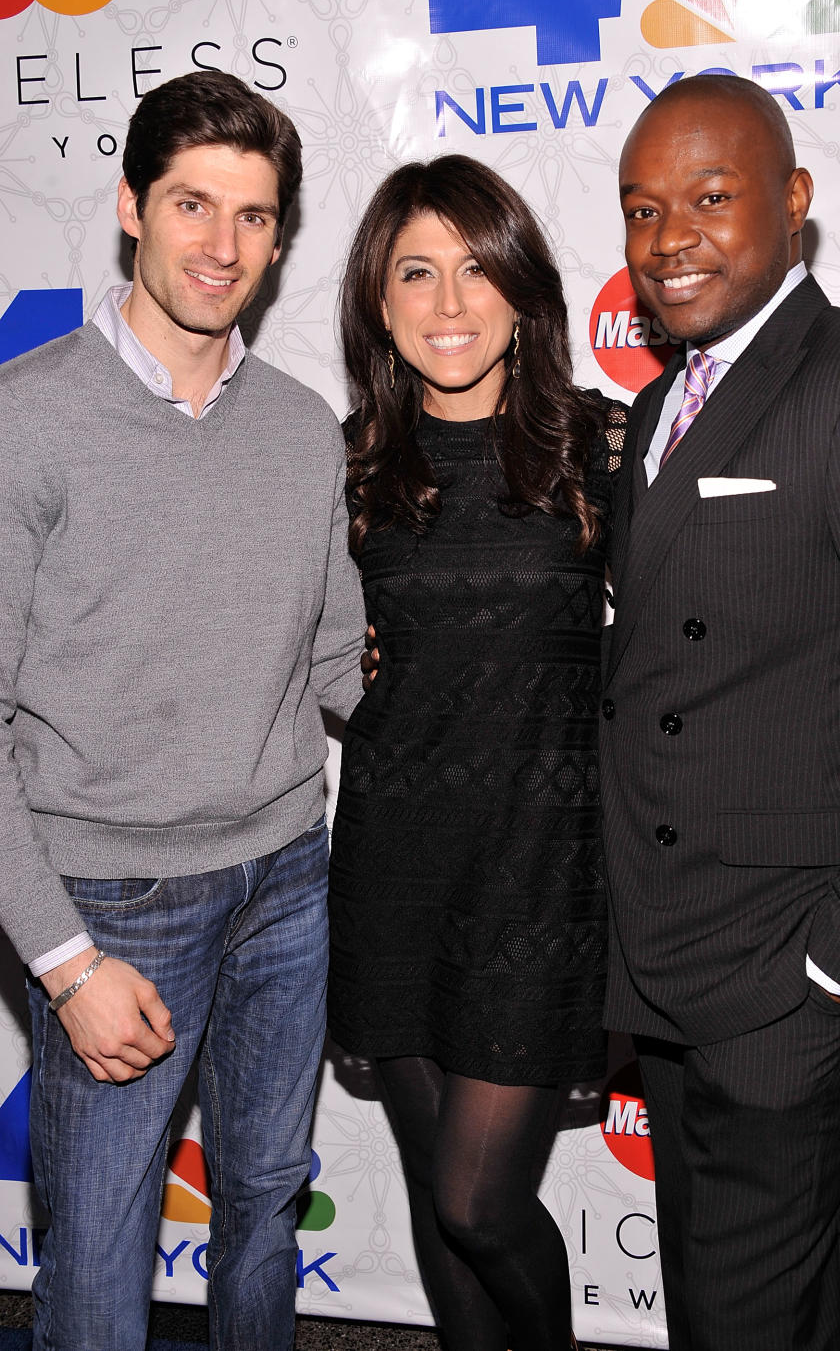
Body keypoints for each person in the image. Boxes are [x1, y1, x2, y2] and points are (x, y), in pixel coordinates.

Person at [0, 69, 366, 1351]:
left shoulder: (305, 428)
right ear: (130, 209)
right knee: (98, 1262)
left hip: (287, 879)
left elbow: (340, 671)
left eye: (255, 216)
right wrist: (65, 960)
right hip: (110, 902)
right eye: (194, 205)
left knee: (265, 1201)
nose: (223, 246)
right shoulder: (27, 419)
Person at [599, 72, 840, 1350]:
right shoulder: (657, 405)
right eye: (642, 211)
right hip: (673, 970)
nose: (668, 240)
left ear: (793, 201)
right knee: (730, 1317)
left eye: (709, 198)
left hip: (789, 987)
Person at [327, 154, 624, 1351]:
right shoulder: (345, 462)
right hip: (396, 860)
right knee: (435, 1205)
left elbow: (682, 649)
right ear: (379, 303)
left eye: (475, 270)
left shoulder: (598, 446)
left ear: (522, 292)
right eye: (416, 273)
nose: (449, 304)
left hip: (542, 872)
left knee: (478, 1198)